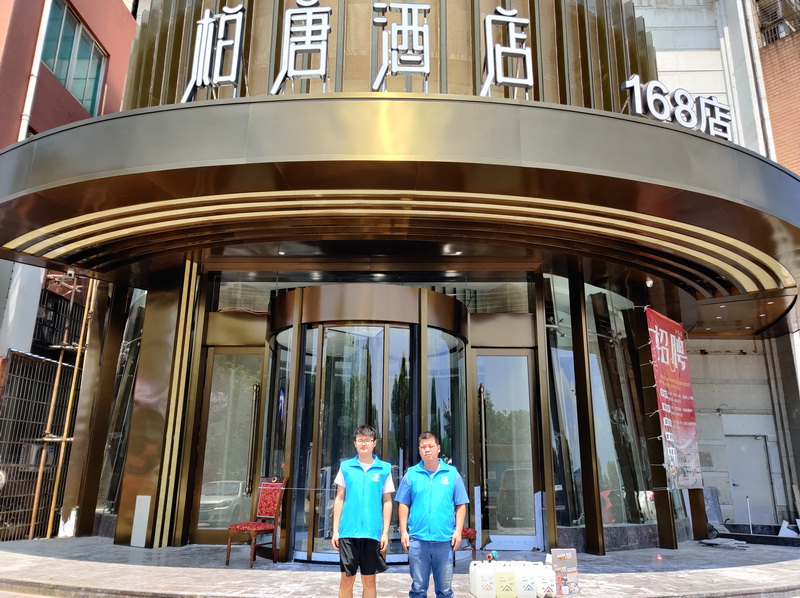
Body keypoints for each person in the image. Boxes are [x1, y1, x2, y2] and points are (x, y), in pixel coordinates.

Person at [395, 431, 469, 598]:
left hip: (444, 540)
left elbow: (461, 504)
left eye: (430, 446)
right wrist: (403, 531)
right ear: (419, 450)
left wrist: (458, 531)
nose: (427, 449)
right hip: (418, 541)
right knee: (418, 589)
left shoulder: (452, 474)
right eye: (423, 447)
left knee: (445, 590)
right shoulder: (411, 474)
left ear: (438, 448)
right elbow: (403, 504)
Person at [332, 425, 395, 598]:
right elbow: (339, 498)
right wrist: (336, 530)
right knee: (346, 580)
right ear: (355, 443)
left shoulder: (384, 469)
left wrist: (385, 533)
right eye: (360, 440)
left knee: (369, 581)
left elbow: (387, 501)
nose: (363, 444)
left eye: (367, 440)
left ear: (374, 443)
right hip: (348, 532)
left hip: (372, 533)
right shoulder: (346, 467)